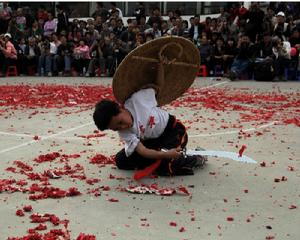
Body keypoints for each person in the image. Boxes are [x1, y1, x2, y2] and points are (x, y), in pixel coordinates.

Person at [93, 58, 207, 176]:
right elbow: (143, 151)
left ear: (121, 108)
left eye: (121, 122)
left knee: (166, 166)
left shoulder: (138, 99)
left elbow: (158, 86)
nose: (124, 127)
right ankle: (163, 156)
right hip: (152, 142)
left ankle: (196, 158)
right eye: (117, 128)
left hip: (173, 132)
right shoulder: (124, 132)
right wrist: (165, 155)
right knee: (121, 161)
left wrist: (160, 67)